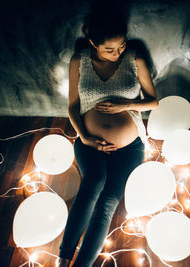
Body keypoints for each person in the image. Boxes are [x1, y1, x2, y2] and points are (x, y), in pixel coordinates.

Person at [56, 12, 158, 267]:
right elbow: (72, 106)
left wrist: (126, 104)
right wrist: (85, 137)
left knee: (108, 202)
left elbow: (153, 102)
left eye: (121, 45)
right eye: (110, 49)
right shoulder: (79, 61)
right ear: (93, 44)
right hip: (90, 140)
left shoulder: (135, 59)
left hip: (129, 145)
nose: (118, 52)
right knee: (93, 182)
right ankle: (63, 257)